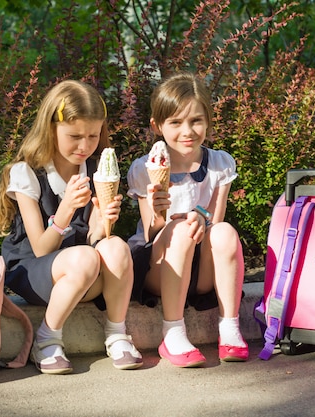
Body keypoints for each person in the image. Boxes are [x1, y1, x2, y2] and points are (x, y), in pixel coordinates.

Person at [0, 80, 142, 374]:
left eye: (93, 135)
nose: (84, 145)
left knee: (117, 247)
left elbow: (94, 239)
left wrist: (103, 218)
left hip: (82, 273)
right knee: (84, 258)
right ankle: (47, 339)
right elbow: (40, 247)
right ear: (51, 129)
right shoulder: (27, 173)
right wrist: (67, 207)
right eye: (74, 135)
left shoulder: (97, 168)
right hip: (35, 272)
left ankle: (117, 333)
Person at [127, 72, 248, 367]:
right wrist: (158, 213)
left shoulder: (220, 164)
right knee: (179, 231)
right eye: (176, 122)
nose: (187, 131)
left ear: (207, 120)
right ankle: (172, 332)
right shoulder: (145, 169)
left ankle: (229, 327)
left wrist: (200, 215)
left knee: (226, 232)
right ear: (157, 126)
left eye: (196, 120)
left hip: (201, 271)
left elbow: (215, 219)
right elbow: (150, 233)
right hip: (162, 268)